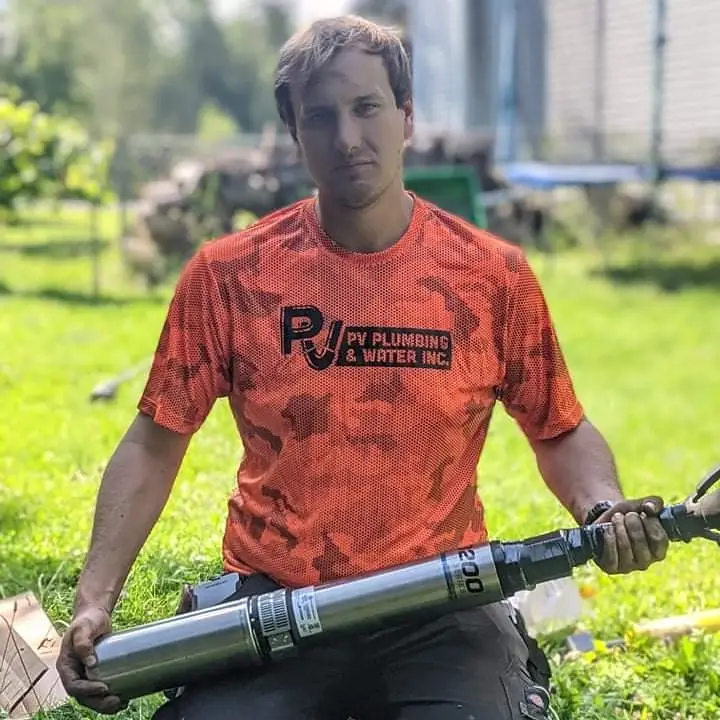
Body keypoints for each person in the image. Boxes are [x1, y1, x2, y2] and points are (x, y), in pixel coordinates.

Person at [56, 14, 670, 720]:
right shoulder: (231, 275)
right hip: (276, 605)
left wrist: (601, 508)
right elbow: (153, 443)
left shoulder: (490, 277)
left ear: (406, 118)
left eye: (367, 108)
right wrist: (94, 600)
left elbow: (559, 428)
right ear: (294, 134)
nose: (347, 138)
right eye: (320, 117)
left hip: (443, 602)